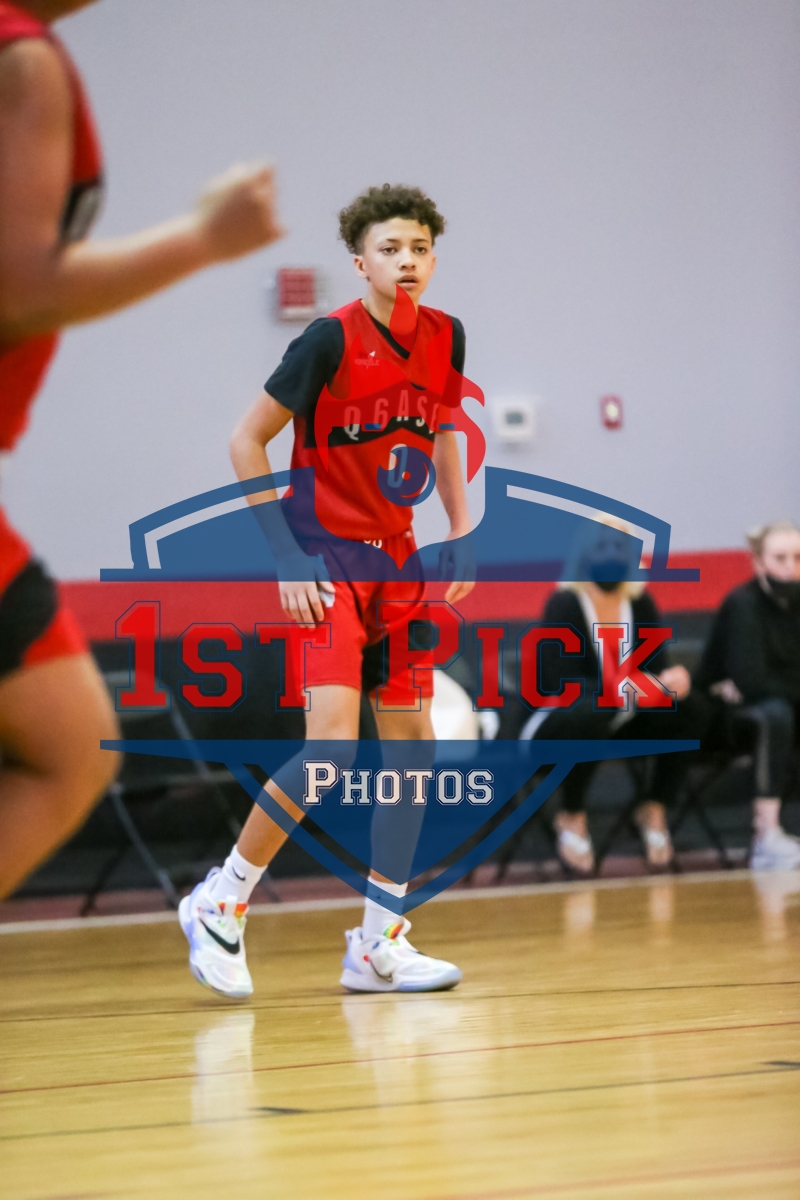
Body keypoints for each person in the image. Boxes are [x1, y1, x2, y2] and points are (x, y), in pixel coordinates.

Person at [0, 0, 283, 899]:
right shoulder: (23, 57)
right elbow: (20, 287)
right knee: (68, 747)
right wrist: (205, 238)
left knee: (67, 739)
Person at [179, 183, 475, 998]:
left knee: (413, 753)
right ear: (360, 263)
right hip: (327, 562)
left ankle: (378, 944)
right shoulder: (327, 340)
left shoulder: (447, 336)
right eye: (390, 249)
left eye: (419, 248)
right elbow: (246, 441)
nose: (406, 261)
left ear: (433, 259)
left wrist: (459, 526)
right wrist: (285, 557)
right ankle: (222, 901)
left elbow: (445, 429)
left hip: (400, 563)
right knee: (331, 752)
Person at [524, 522, 702, 874]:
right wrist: (628, 689)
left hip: (620, 719)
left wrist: (671, 682)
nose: (611, 555)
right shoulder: (564, 603)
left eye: (620, 547)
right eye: (601, 546)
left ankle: (654, 806)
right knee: (593, 711)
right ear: (584, 555)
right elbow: (559, 683)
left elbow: (656, 671)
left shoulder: (641, 603)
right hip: (560, 724)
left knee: (690, 707)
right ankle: (571, 813)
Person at [694, 521, 800, 871]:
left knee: (780, 708)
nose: (790, 567)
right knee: (774, 713)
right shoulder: (743, 604)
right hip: (722, 715)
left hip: (782, 702)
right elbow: (752, 682)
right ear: (758, 562)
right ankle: (765, 836)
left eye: (798, 558)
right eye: (780, 558)